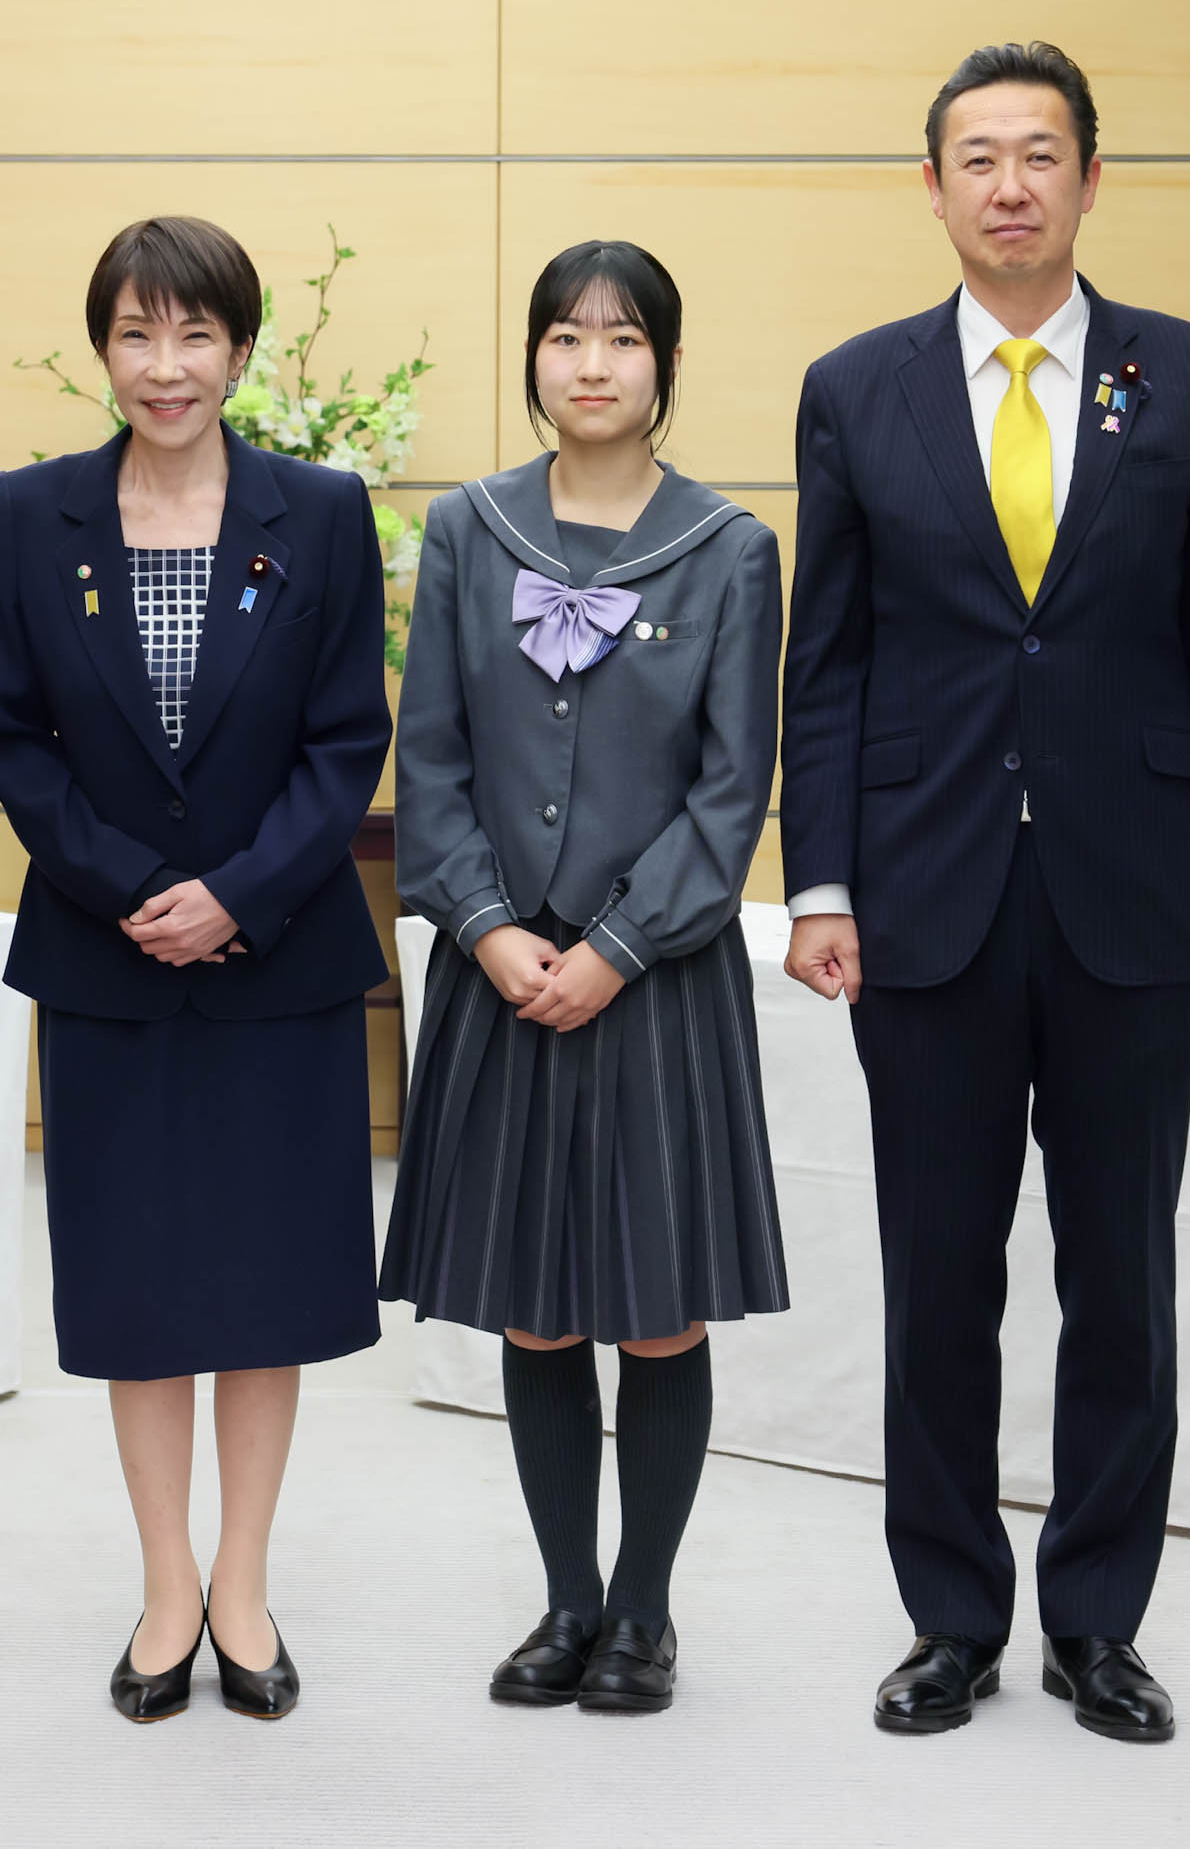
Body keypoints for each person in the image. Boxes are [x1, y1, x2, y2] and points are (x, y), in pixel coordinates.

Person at [780, 43, 1190, 1743]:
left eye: (1041, 154)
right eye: (977, 158)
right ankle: (949, 1617)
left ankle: (1097, 1621)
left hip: (1135, 895)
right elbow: (831, 662)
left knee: (1122, 1276)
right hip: (920, 891)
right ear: (931, 189)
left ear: (1090, 179)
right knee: (938, 1278)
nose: (1010, 183)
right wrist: (822, 879)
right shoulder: (858, 389)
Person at [0, 216, 392, 1721]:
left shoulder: (321, 512)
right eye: (139, 335)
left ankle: (245, 1584)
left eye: (196, 334)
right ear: (105, 348)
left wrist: (238, 892)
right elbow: (11, 732)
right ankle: (164, 1584)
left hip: (273, 963)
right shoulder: (31, 516)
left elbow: (347, 739)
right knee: (141, 1286)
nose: (168, 366)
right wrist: (138, 887)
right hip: (110, 962)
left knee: (265, 1287)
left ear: (240, 347)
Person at [382, 240, 788, 1714]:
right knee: (538, 1309)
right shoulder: (470, 531)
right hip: (502, 976)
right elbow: (428, 759)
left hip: (655, 981)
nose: (594, 362)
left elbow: (733, 794)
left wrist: (616, 945)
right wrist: (489, 928)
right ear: (536, 359)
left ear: (665, 367)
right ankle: (564, 1600)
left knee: (657, 1306)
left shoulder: (732, 548)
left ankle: (646, 1611)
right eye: (565, 336)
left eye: (623, 339)